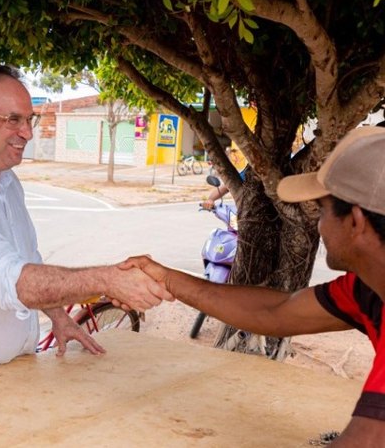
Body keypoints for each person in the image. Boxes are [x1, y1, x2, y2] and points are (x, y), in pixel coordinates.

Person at [0, 63, 174, 387]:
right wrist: (107, 279)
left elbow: (26, 260)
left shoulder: (5, 180)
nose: (28, 133)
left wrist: (58, 315)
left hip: (9, 378)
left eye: (29, 119)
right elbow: (11, 281)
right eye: (12, 120)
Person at [124, 126, 385, 446]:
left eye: (322, 210)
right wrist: (166, 279)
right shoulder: (369, 290)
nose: (318, 223)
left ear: (356, 221)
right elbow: (276, 310)